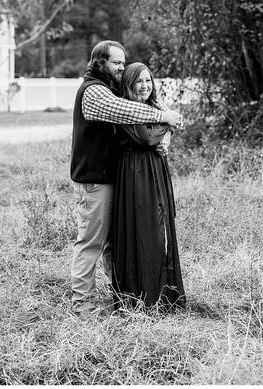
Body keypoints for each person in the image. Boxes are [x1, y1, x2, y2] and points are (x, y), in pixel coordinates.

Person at [69, 40, 183, 314]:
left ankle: (123, 295)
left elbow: (162, 110)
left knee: (114, 244)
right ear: (100, 63)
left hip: (115, 180)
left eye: (123, 62)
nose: (121, 66)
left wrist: (168, 127)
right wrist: (164, 117)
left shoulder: (113, 88)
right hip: (95, 179)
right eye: (115, 62)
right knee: (91, 242)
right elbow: (128, 110)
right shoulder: (94, 92)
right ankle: (82, 304)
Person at [111, 62, 186, 311]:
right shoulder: (127, 110)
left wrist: (166, 133)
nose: (144, 86)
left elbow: (175, 124)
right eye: (138, 82)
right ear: (129, 86)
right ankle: (139, 297)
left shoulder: (154, 106)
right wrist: (166, 127)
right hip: (135, 172)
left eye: (148, 80)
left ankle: (164, 293)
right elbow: (145, 137)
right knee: (142, 228)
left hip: (156, 168)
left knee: (162, 225)